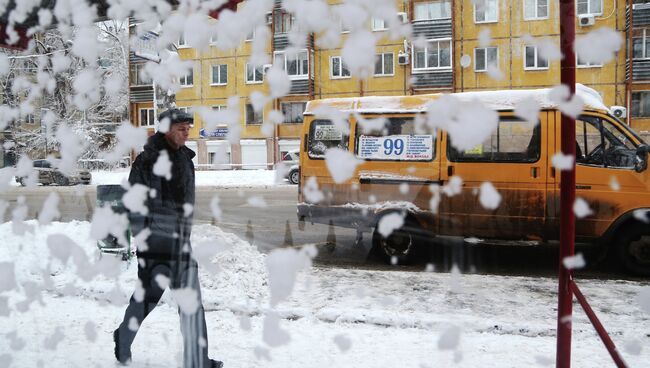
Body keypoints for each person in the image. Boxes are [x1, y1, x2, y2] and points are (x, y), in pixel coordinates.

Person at [113, 108, 222, 368]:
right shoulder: (147, 161)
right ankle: (123, 338)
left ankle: (197, 360)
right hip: (155, 246)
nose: (187, 133)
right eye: (181, 129)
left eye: (188, 128)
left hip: (180, 245)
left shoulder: (185, 159)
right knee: (145, 301)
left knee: (192, 304)